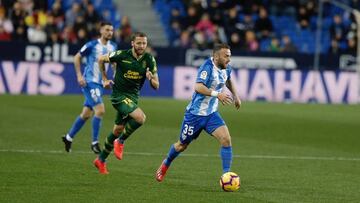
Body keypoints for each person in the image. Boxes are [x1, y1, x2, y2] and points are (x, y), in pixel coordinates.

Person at [155, 43, 241, 182]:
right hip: (194, 115)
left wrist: (236, 95)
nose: (229, 59)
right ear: (216, 56)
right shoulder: (207, 67)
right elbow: (198, 87)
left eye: (229, 56)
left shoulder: (227, 68)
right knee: (182, 145)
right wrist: (217, 95)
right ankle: (166, 164)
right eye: (226, 56)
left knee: (226, 139)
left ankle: (227, 175)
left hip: (211, 114)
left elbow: (228, 79)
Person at [94, 32, 160, 174]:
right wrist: (104, 79)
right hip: (118, 96)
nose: (142, 46)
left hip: (133, 98)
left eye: (144, 43)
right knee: (140, 118)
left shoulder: (149, 59)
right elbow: (100, 59)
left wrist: (150, 78)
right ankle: (121, 141)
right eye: (139, 43)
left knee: (117, 130)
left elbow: (156, 86)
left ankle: (101, 159)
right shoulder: (121, 55)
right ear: (132, 43)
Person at [62, 22, 117, 154]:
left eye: (111, 30)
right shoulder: (92, 45)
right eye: (107, 30)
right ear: (101, 31)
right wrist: (79, 75)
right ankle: (94, 142)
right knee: (100, 110)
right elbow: (77, 57)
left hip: (100, 84)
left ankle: (68, 137)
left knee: (86, 114)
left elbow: (114, 63)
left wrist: (114, 78)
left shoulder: (113, 46)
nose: (110, 32)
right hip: (89, 82)